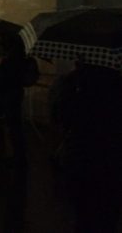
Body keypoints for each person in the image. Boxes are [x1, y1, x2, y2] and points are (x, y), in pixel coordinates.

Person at [50, 62, 122, 232]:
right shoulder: (116, 84)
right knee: (108, 215)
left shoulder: (72, 83)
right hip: (111, 156)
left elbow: (58, 115)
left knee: (83, 214)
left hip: (79, 155)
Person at [0, 33, 30, 168]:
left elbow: (0, 79)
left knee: (14, 127)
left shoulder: (9, 60)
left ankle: (19, 157)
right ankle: (20, 155)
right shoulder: (20, 57)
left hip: (8, 94)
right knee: (15, 126)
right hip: (16, 93)